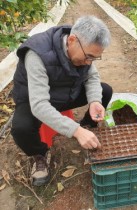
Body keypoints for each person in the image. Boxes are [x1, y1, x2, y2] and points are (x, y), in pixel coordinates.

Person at [11, 16, 113, 186]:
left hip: (65, 94)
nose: (89, 62)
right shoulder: (37, 54)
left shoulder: (84, 49)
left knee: (105, 91)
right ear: (72, 40)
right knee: (21, 128)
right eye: (88, 57)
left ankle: (88, 124)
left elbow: (92, 76)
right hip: (35, 98)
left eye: (94, 58)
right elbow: (40, 105)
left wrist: (95, 101)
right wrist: (75, 130)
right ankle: (39, 155)